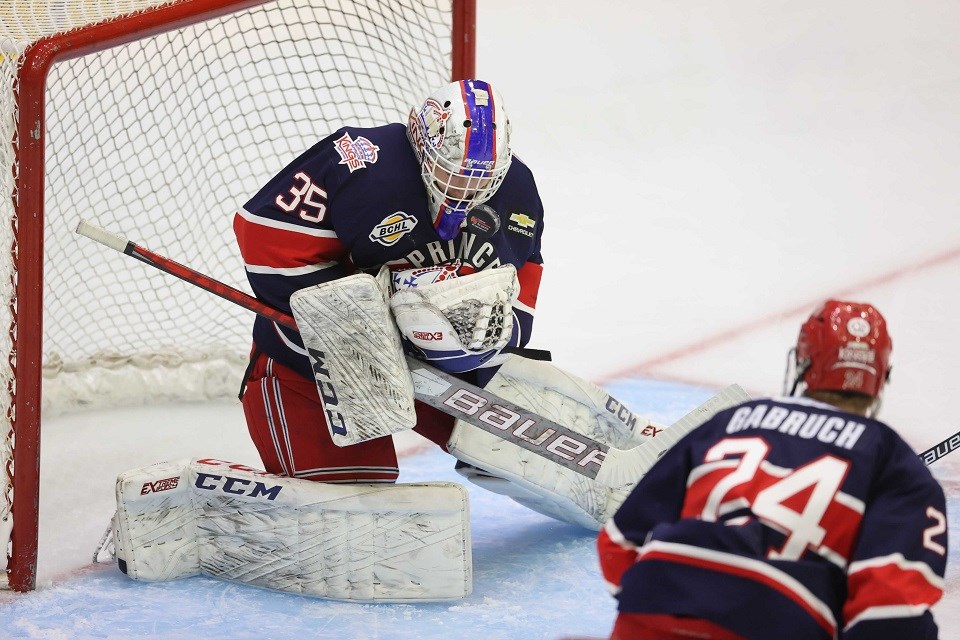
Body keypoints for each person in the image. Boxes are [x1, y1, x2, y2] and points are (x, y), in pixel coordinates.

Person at [232, 79, 544, 484]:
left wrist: (501, 335)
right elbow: (262, 231)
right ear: (422, 143)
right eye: (454, 173)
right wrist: (355, 323)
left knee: (522, 458)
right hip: (320, 367)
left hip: (438, 366)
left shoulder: (516, 188)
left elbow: (525, 272)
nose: (467, 189)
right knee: (353, 497)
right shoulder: (361, 163)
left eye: (482, 179)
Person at [597, 300, 947, 640]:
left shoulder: (732, 420)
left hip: (653, 608)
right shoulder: (895, 464)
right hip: (782, 619)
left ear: (804, 363)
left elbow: (619, 540)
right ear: (881, 376)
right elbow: (890, 614)